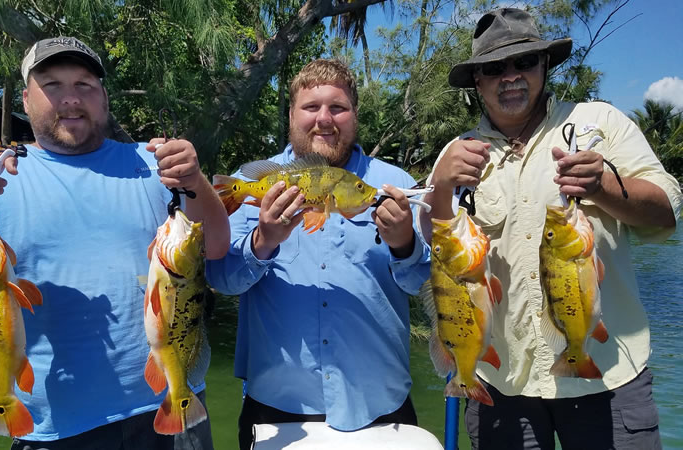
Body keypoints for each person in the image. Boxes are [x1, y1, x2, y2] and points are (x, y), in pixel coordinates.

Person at [0, 36, 229, 450]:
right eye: (52, 86)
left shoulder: (155, 166)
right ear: (26, 100)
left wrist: (194, 180)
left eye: (84, 85)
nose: (70, 99)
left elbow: (217, 245)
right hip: (54, 426)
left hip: (168, 404)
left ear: (104, 98)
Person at [420, 8, 682, 450]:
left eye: (524, 62)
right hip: (502, 385)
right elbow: (436, 253)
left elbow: (667, 211)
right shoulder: (457, 152)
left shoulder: (599, 124)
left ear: (544, 65)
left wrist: (603, 187)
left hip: (607, 377)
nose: (511, 76)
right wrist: (441, 185)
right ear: (477, 82)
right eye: (494, 68)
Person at [205, 58, 432, 450]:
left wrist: (403, 244)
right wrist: (263, 241)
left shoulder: (397, 185)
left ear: (354, 115)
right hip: (278, 407)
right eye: (311, 107)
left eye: (338, 108)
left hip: (380, 406)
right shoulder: (249, 183)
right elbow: (221, 280)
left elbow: (425, 284)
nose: (324, 119)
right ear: (291, 114)